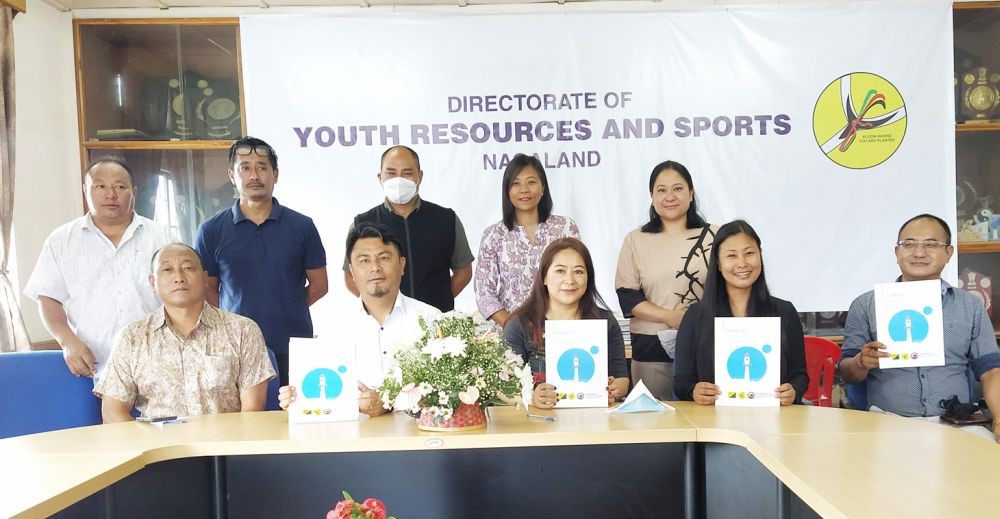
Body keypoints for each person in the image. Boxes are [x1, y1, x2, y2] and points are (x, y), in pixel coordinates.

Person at [837, 214, 1000, 442]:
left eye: (931, 244)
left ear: (949, 253)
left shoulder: (969, 305)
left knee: (988, 463)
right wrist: (860, 362)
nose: (919, 253)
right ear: (897, 253)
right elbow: (847, 372)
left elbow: (991, 370)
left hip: (956, 424)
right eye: (909, 244)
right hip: (887, 423)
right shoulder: (866, 305)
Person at [23, 158, 175, 381]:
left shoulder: (161, 236)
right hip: (92, 364)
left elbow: (181, 293)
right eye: (100, 186)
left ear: (134, 191)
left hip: (158, 361)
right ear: (86, 190)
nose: (110, 194)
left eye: (120, 187)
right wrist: (68, 342)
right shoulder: (62, 240)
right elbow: (48, 297)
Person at [195, 136, 328, 385]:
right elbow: (207, 289)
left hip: (294, 344)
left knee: (295, 415)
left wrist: (288, 306)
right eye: (245, 167)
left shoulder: (302, 226)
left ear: (275, 174)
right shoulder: (211, 230)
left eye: (262, 167)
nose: (254, 175)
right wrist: (234, 321)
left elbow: (320, 285)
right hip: (235, 347)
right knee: (243, 419)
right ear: (232, 175)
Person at [94, 243, 275, 422]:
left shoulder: (242, 330)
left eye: (188, 268)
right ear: (152, 283)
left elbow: (252, 410)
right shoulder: (132, 337)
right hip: (158, 448)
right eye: (167, 270)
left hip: (224, 446)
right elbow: (113, 413)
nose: (179, 277)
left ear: (205, 279)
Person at [280, 222, 440, 416]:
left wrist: (388, 403)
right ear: (352, 272)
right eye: (364, 261)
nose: (375, 267)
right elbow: (325, 391)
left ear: (402, 265)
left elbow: (445, 389)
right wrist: (297, 399)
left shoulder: (432, 319)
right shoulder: (334, 325)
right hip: (354, 438)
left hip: (419, 436)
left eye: (384, 258)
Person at [673, 220, 807, 406]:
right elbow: (680, 382)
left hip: (773, 421)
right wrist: (694, 391)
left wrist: (793, 391)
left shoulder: (784, 312)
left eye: (749, 253)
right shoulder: (696, 316)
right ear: (718, 264)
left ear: (760, 256)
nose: (742, 263)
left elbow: (799, 375)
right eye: (731, 256)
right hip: (713, 423)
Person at [615, 160, 716, 400]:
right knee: (655, 425)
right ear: (652, 197)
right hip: (651, 348)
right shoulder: (636, 239)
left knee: (706, 420)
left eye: (678, 189)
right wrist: (670, 317)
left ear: (691, 194)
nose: (670, 196)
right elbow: (628, 297)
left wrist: (693, 321)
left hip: (706, 343)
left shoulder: (715, 235)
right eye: (661, 190)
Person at [344, 145, 474, 312]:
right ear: (380, 177)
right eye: (391, 173)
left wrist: (433, 305)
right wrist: (380, 306)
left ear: (419, 176)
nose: (399, 180)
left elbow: (463, 272)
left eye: (407, 173)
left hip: (436, 322)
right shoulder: (362, 223)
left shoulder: (446, 219)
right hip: (386, 321)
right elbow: (350, 276)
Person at [504, 238, 629, 408]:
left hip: (594, 421)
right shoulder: (519, 324)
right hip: (539, 424)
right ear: (544, 278)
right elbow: (504, 388)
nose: (570, 280)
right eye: (560, 271)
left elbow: (621, 378)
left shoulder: (605, 321)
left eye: (578, 272)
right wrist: (531, 398)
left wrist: (614, 390)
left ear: (588, 278)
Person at [475, 154, 580, 326]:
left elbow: (578, 277)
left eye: (531, 182)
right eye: (516, 183)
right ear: (507, 190)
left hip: (561, 328)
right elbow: (484, 293)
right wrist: (514, 327)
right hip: (510, 331)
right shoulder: (493, 235)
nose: (524, 189)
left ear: (543, 187)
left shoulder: (565, 227)